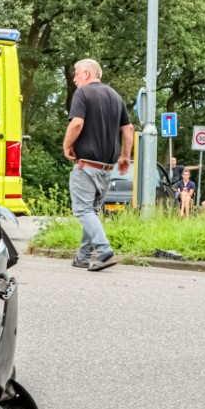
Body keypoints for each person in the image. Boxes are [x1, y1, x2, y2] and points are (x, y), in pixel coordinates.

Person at [62, 59, 132, 271]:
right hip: (107, 168)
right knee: (91, 210)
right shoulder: (115, 96)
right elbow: (128, 129)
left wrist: (67, 145)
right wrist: (125, 156)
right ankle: (83, 256)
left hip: (86, 165)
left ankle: (104, 251)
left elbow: (77, 123)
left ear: (86, 73)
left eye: (75, 73)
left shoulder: (82, 94)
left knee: (83, 209)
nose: (74, 78)